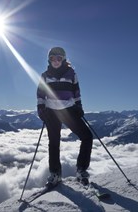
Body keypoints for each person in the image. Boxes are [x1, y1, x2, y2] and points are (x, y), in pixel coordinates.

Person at [37, 47, 93, 186]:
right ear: (49, 60)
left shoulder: (71, 74)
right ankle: (55, 174)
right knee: (54, 143)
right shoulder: (45, 76)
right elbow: (40, 94)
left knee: (87, 136)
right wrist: (41, 109)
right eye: (52, 58)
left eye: (59, 58)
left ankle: (81, 170)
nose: (55, 61)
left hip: (69, 111)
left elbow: (76, 92)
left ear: (63, 59)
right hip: (51, 112)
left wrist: (79, 107)